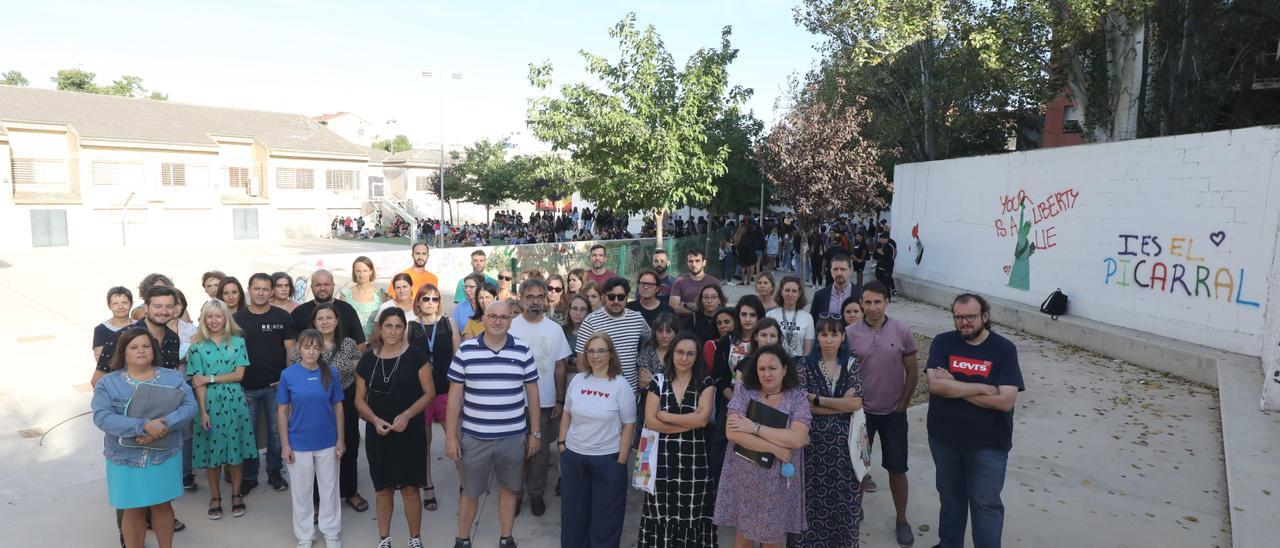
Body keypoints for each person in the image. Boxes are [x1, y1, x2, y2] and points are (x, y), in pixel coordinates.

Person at [924, 294, 1025, 548]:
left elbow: (1005, 401)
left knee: (986, 505)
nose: (964, 322)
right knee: (950, 499)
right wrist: (984, 387)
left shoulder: (1003, 349)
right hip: (944, 439)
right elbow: (936, 386)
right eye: (959, 317)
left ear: (985, 317)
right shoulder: (943, 342)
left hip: (988, 444)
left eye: (970, 316)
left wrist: (954, 386)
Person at [445, 300, 542, 548]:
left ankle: (506, 538)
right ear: (484, 318)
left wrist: (535, 433)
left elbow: (533, 394)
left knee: (510, 490)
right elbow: (455, 398)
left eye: (504, 317)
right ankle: (463, 539)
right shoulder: (466, 351)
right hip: (475, 438)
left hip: (512, 438)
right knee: (470, 492)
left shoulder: (522, 350)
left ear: (511, 320)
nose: (498, 321)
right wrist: (451, 437)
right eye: (493, 316)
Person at [92, 327, 197, 548]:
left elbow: (190, 406)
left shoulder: (173, 378)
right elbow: (102, 417)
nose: (141, 351)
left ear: (154, 350)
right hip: (124, 459)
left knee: (162, 506)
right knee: (133, 508)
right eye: (134, 347)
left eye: (146, 346)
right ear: (123, 352)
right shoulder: (108, 383)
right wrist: (144, 427)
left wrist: (163, 425)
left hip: (164, 455)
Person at [713, 345, 811, 547]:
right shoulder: (744, 392)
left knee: (773, 540)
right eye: (761, 369)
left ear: (784, 369)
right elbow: (732, 433)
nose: (767, 374)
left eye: (772, 368)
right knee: (743, 537)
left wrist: (753, 427)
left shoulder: (797, 397)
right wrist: (775, 448)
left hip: (778, 481)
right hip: (744, 477)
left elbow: (797, 439)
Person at [846, 280, 918, 546]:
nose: (872, 307)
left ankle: (902, 519)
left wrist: (902, 407)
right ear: (861, 303)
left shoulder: (902, 331)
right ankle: (855, 510)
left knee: (897, 469)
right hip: (860, 415)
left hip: (893, 414)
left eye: (878, 302)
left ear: (887, 302)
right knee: (858, 467)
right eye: (867, 302)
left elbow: (912, 371)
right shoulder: (850, 333)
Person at [355, 308, 434, 548]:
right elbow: (359, 400)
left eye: (398, 326)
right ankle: (384, 539)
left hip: (409, 431)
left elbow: (429, 393)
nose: (393, 331)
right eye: (388, 326)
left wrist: (408, 414)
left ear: (404, 329)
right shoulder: (368, 358)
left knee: (410, 488)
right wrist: (375, 419)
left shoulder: (416, 356)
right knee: (383, 488)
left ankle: (415, 538)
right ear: (380, 328)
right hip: (379, 432)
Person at [791, 318, 866, 547]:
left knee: (843, 501)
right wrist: (838, 404)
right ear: (818, 338)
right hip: (811, 447)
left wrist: (818, 399)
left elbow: (855, 404)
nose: (829, 340)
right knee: (809, 500)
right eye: (824, 334)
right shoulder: (804, 364)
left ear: (843, 336)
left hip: (845, 449)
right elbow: (802, 406)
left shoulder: (852, 364)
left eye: (834, 334)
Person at [638, 331, 717, 547]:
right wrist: (686, 422)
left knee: (692, 513)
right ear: (672, 353)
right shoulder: (658, 380)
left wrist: (666, 417)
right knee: (660, 514)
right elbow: (651, 422)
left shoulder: (705, 382)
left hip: (695, 463)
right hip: (660, 462)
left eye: (690, 354)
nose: (684, 358)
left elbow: (702, 421)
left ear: (697, 357)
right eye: (680, 352)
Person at [557, 333, 636, 547]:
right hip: (574, 457)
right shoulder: (577, 381)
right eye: (590, 351)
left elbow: (629, 424)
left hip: (607, 460)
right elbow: (566, 412)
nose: (595, 355)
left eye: (601, 350)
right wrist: (562, 444)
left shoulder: (621, 386)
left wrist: (621, 459)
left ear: (611, 354)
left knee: (606, 520)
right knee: (573, 517)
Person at [508, 278, 573, 517]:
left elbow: (560, 367)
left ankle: (536, 494)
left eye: (539, 297)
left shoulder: (554, 329)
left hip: (544, 403)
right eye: (530, 297)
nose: (535, 301)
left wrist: (559, 400)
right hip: (512, 403)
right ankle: (514, 496)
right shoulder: (510, 327)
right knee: (514, 453)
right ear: (521, 299)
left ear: (545, 300)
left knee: (539, 453)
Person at [187, 300, 255, 520]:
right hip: (210, 403)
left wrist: (211, 377)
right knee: (211, 453)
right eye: (210, 316)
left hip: (235, 402)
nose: (214, 321)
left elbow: (239, 375)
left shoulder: (238, 342)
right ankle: (215, 497)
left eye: (219, 316)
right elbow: (198, 382)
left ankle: (236, 495)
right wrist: (203, 411)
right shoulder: (196, 347)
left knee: (236, 452)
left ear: (226, 318)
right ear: (204, 319)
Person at [277, 329, 346, 548]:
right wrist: (285, 444)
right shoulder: (288, 375)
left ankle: (331, 532)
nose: (311, 351)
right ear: (299, 348)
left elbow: (338, 407)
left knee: (329, 489)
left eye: (316, 347)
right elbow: (282, 411)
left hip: (327, 441)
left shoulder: (331, 373)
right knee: (301, 491)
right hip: (299, 443)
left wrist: (340, 439)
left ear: (321, 350)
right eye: (307, 347)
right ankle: (305, 535)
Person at [302, 303, 369, 513]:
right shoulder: (305, 343)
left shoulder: (348, 344)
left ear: (337, 320)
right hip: (316, 405)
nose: (325, 322)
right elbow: (296, 371)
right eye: (320, 318)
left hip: (346, 400)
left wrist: (361, 400)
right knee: (316, 450)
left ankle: (350, 491)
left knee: (348, 445)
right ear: (314, 322)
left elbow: (360, 374)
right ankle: (315, 499)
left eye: (329, 317)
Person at [235, 273, 298, 494]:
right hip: (246, 387)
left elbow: (291, 350)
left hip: (276, 387)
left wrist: (286, 378)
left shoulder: (282, 317)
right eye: (257, 288)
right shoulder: (238, 319)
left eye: (265, 289)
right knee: (248, 432)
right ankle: (250, 475)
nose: (261, 293)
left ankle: (274, 471)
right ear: (249, 289)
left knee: (275, 432)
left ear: (271, 291)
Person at [407, 284, 461, 512]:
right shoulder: (410, 328)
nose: (430, 302)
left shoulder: (449, 324)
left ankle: (466, 484)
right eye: (425, 298)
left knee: (456, 439)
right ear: (418, 302)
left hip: (446, 392)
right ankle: (428, 486)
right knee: (423, 443)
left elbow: (459, 359)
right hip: (420, 395)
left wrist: (462, 392)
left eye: (435, 298)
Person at [707, 295, 766, 506]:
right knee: (721, 447)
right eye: (744, 314)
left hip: (759, 403)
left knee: (752, 452)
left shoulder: (765, 340)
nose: (748, 319)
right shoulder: (728, 340)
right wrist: (736, 401)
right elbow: (719, 375)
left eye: (753, 315)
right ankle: (718, 498)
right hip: (730, 399)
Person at [575, 277, 652, 392]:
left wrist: (644, 367)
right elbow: (581, 361)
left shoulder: (637, 319)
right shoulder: (590, 322)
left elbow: (651, 341)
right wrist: (590, 389)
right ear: (604, 297)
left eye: (621, 297)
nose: (616, 301)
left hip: (631, 390)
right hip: (601, 392)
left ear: (627, 298)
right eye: (611, 297)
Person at [292, 270, 367, 351]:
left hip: (342, 362)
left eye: (326, 284)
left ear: (333, 285)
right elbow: (291, 344)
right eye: (318, 285)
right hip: (309, 362)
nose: (322, 288)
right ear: (311, 287)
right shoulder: (299, 313)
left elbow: (360, 343)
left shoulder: (347, 310)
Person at [340, 256, 388, 341]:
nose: (361, 275)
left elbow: (385, 321)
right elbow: (341, 322)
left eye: (365, 271)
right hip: (351, 343)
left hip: (375, 343)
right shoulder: (345, 294)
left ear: (371, 272)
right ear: (354, 272)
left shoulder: (381, 294)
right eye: (358, 271)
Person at [767, 276, 814, 360]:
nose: (790, 294)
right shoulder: (770, 315)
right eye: (787, 290)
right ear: (781, 292)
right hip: (775, 362)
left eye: (794, 291)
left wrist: (802, 366)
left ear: (799, 294)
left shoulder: (807, 318)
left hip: (798, 364)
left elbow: (807, 348)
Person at [669, 250, 721, 322]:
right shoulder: (679, 282)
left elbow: (719, 306)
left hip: (710, 324)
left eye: (697, 261)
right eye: (690, 261)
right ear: (687, 263)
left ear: (704, 263)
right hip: (685, 327)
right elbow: (673, 306)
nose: (694, 264)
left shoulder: (714, 282)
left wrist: (684, 305)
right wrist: (695, 313)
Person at [635, 313, 678, 393]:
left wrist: (653, 381)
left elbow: (681, 384)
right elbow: (642, 384)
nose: (664, 335)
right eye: (660, 331)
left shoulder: (681, 353)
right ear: (655, 333)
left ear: (676, 333)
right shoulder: (648, 352)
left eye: (668, 331)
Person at [810, 254, 862, 319]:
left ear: (851, 270)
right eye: (835, 269)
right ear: (830, 271)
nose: (839, 273)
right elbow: (813, 322)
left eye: (843, 269)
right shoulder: (820, 296)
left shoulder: (861, 294)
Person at [94, 287, 134, 362]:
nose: (120, 307)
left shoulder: (141, 326)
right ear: (109, 306)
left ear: (131, 304)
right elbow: (101, 360)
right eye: (115, 304)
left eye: (124, 303)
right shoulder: (101, 330)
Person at [875, 232, 898, 297]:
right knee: (881, 278)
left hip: (888, 264)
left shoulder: (891, 243)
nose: (880, 240)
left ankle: (891, 292)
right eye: (880, 239)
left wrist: (884, 254)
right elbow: (876, 253)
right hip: (881, 264)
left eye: (882, 239)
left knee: (887, 279)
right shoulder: (881, 244)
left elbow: (894, 254)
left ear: (886, 238)